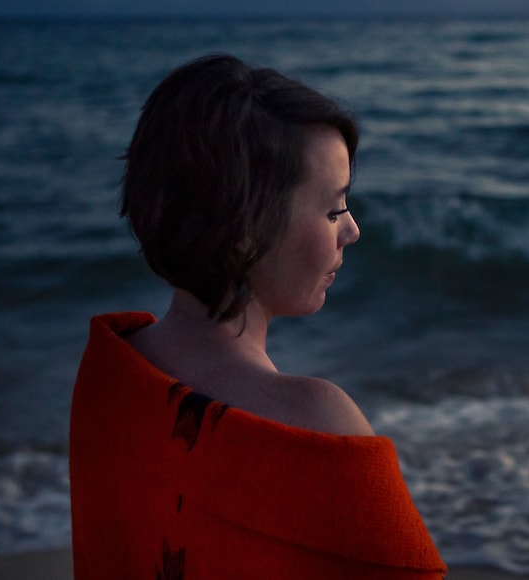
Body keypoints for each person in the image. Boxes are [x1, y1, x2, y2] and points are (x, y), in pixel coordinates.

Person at [69, 54, 447, 579]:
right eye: (334, 209)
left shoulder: (110, 377)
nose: (353, 230)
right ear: (244, 230)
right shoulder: (317, 426)